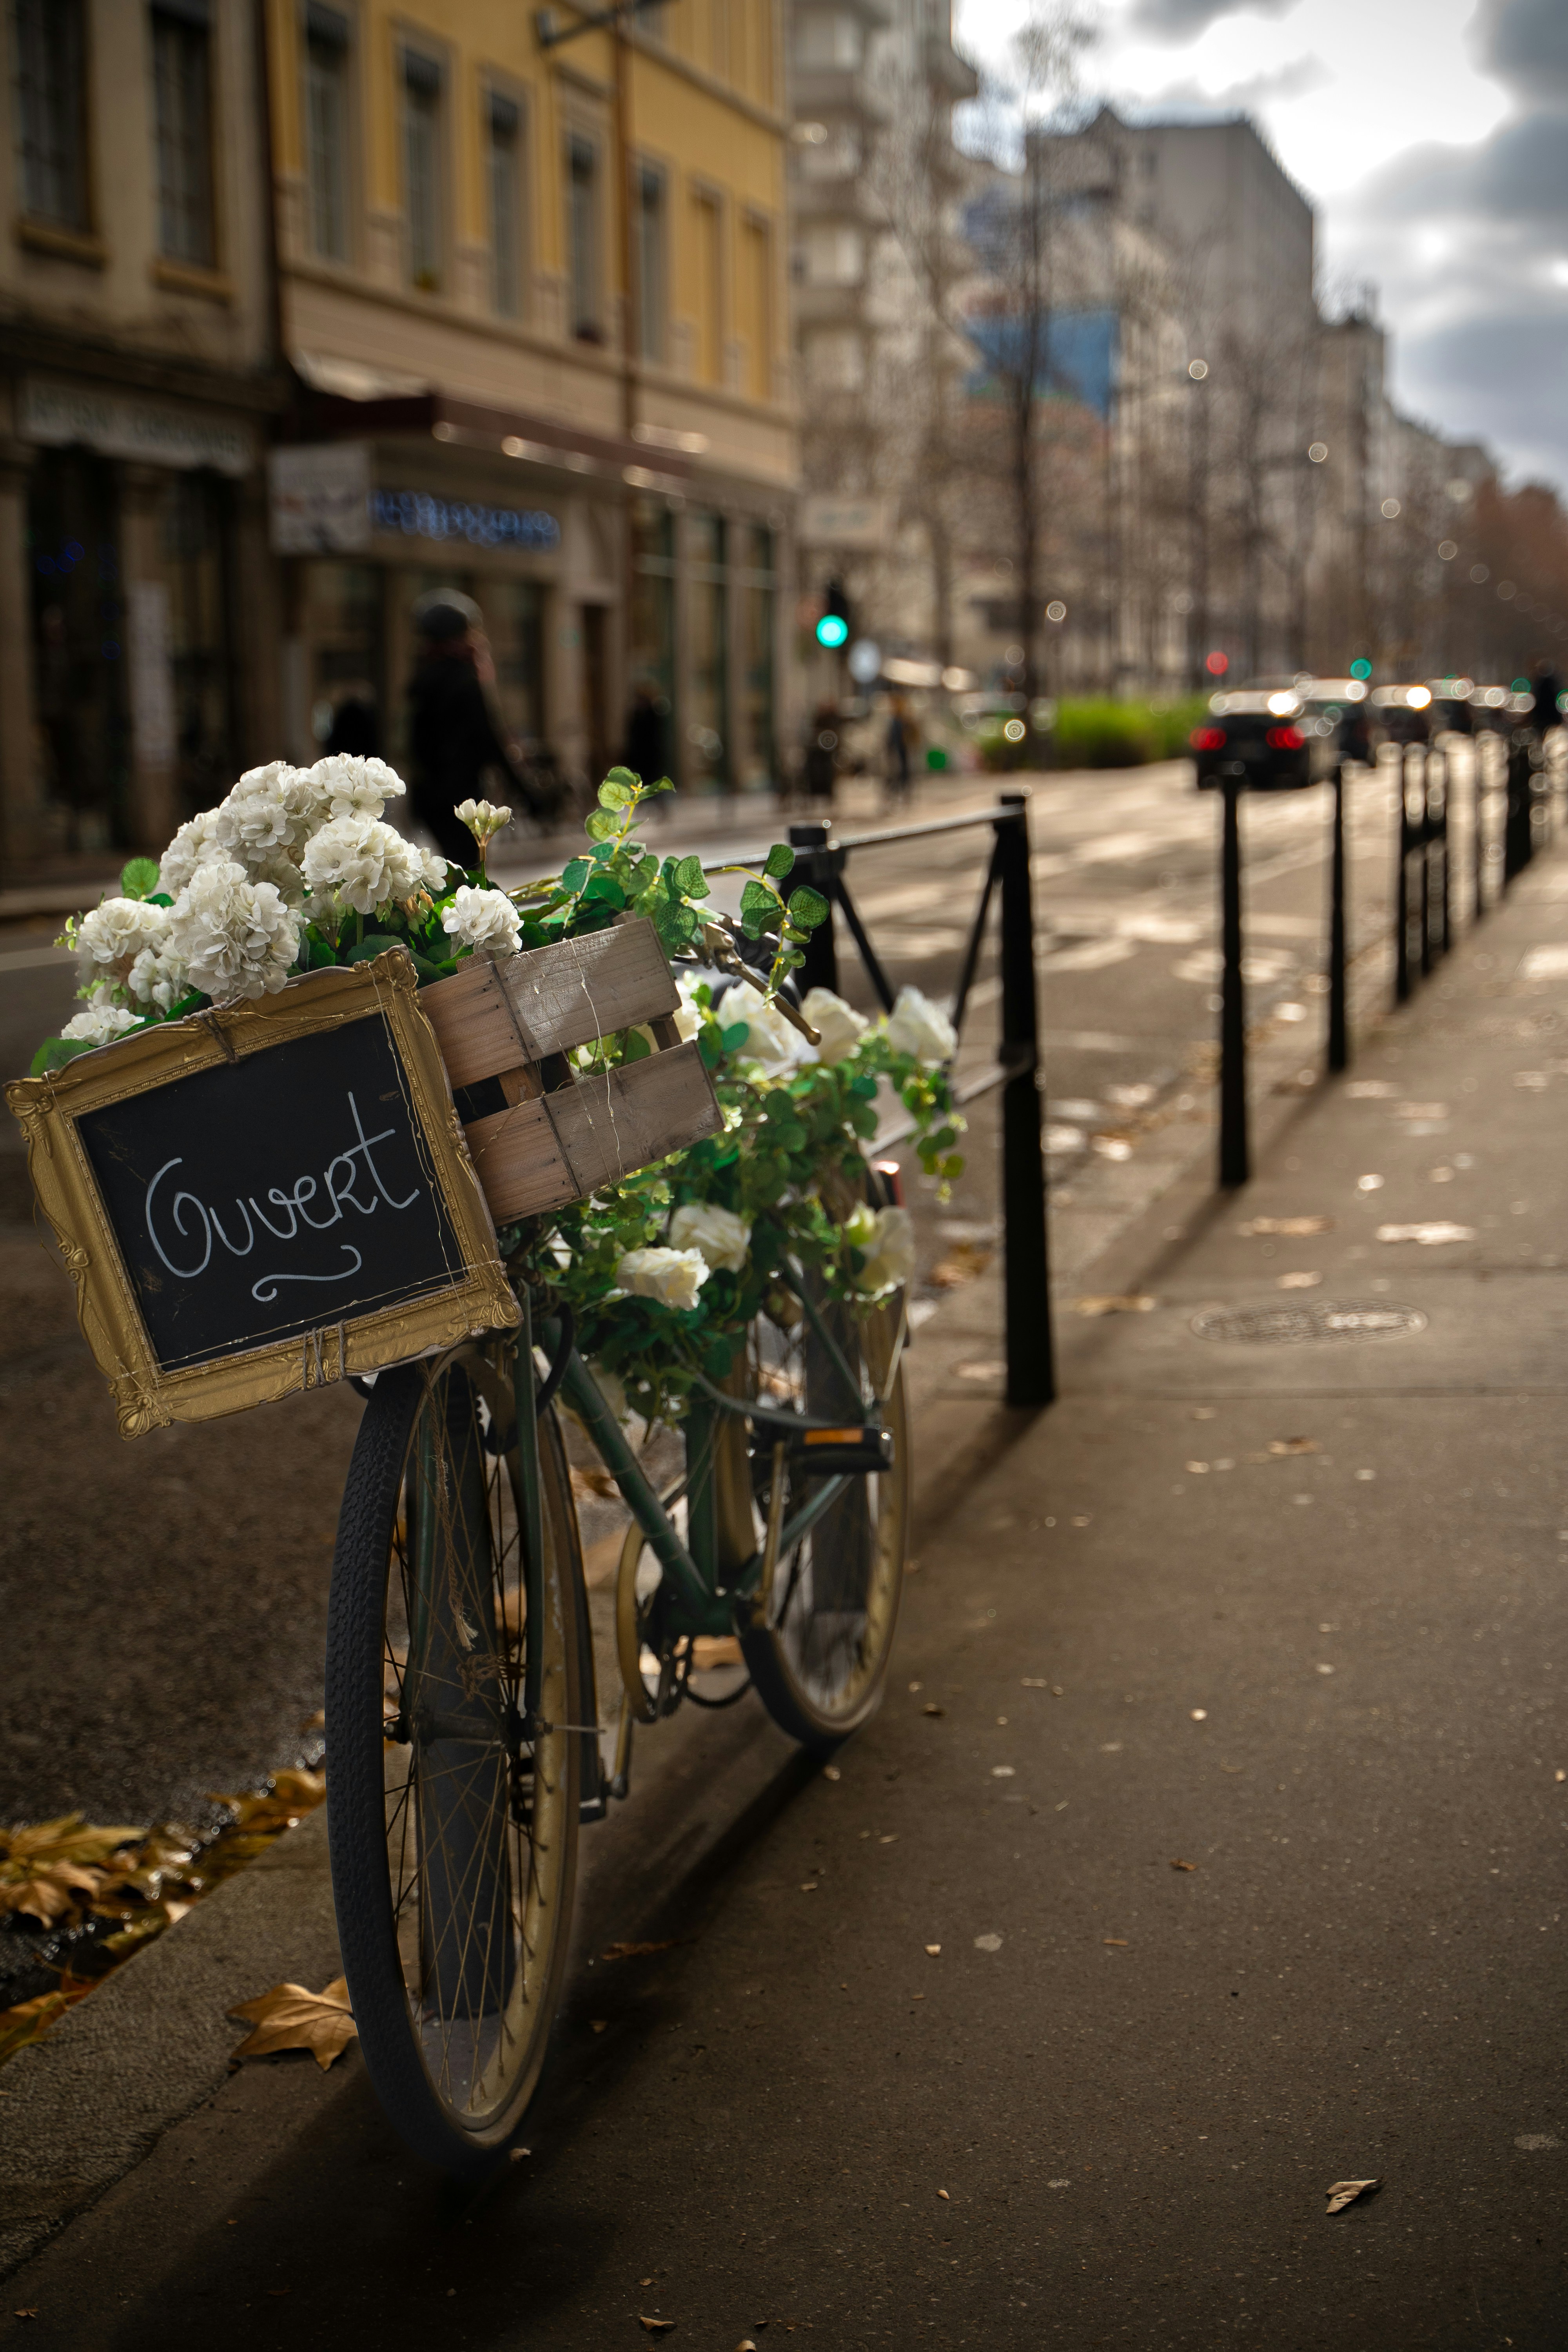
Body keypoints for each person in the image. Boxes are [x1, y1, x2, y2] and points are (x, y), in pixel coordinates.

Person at [405, 596, 543, 866]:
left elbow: (416, 744)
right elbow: (487, 737)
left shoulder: (422, 677)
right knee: (469, 874)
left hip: (429, 797)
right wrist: (526, 792)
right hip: (462, 794)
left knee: (453, 869)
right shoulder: (464, 677)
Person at [623, 679, 670, 804]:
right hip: (640, 756)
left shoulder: (653, 715)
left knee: (654, 780)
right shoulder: (636, 715)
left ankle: (658, 803)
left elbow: (658, 735)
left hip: (652, 755)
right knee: (642, 781)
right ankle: (645, 803)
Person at [801, 703, 840, 805]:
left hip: (826, 751)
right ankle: (818, 794)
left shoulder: (832, 720)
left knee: (827, 772)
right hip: (820, 750)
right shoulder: (823, 721)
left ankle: (826, 794)